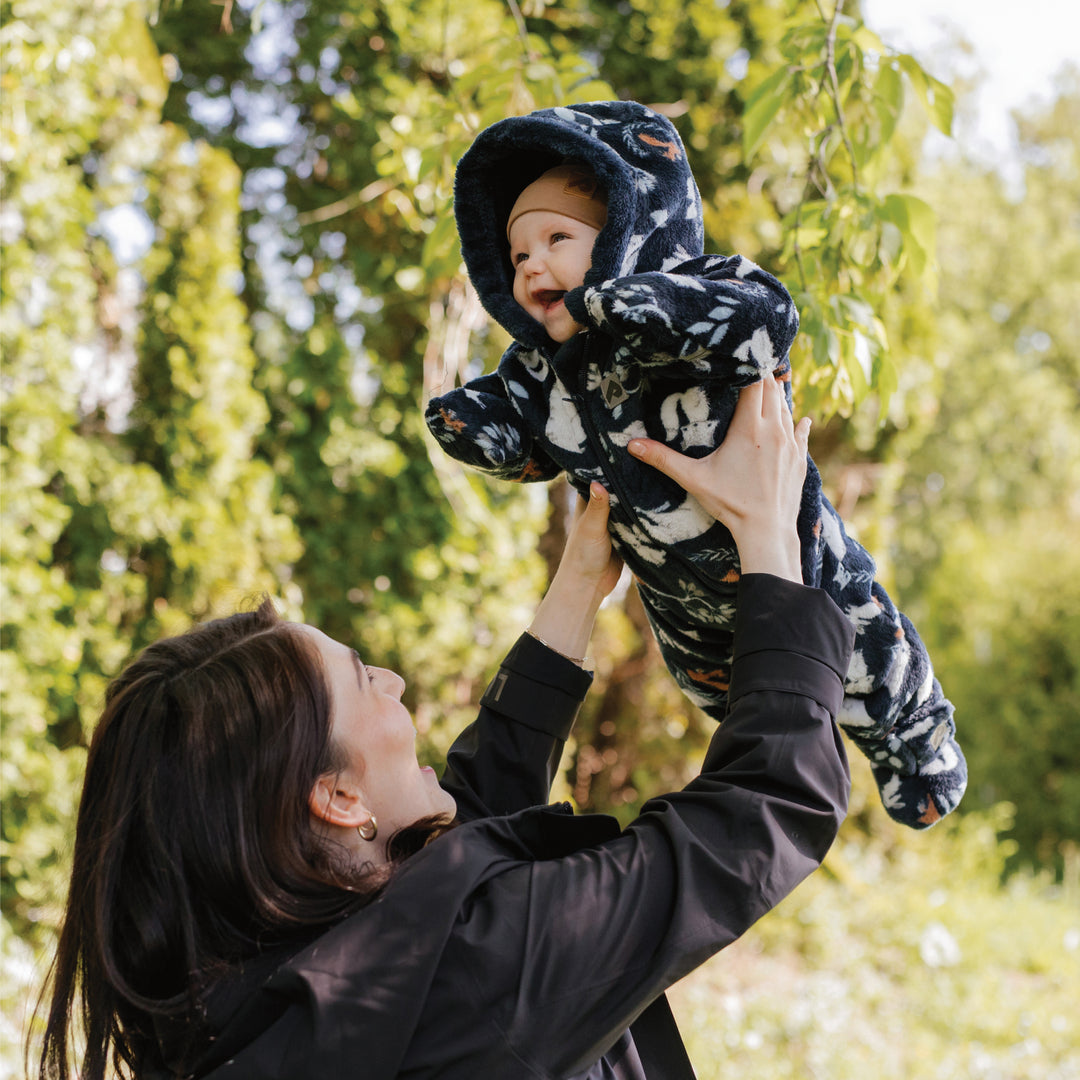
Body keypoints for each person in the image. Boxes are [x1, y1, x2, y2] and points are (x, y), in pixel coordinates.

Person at [39, 377, 853, 1080]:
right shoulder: (482, 975)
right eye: (365, 679)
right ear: (337, 796)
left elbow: (451, 846)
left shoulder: (246, 995)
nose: (393, 682)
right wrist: (769, 537)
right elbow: (761, 814)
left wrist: (576, 588)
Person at [425, 99, 966, 829]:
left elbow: (767, 321)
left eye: (557, 238)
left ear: (624, 233)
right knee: (750, 701)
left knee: (868, 653)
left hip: (795, 554)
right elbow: (528, 440)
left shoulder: (700, 290)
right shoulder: (546, 368)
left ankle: (918, 746)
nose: (533, 266)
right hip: (681, 600)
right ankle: (794, 758)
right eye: (518, 255)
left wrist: (635, 305)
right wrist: (477, 426)